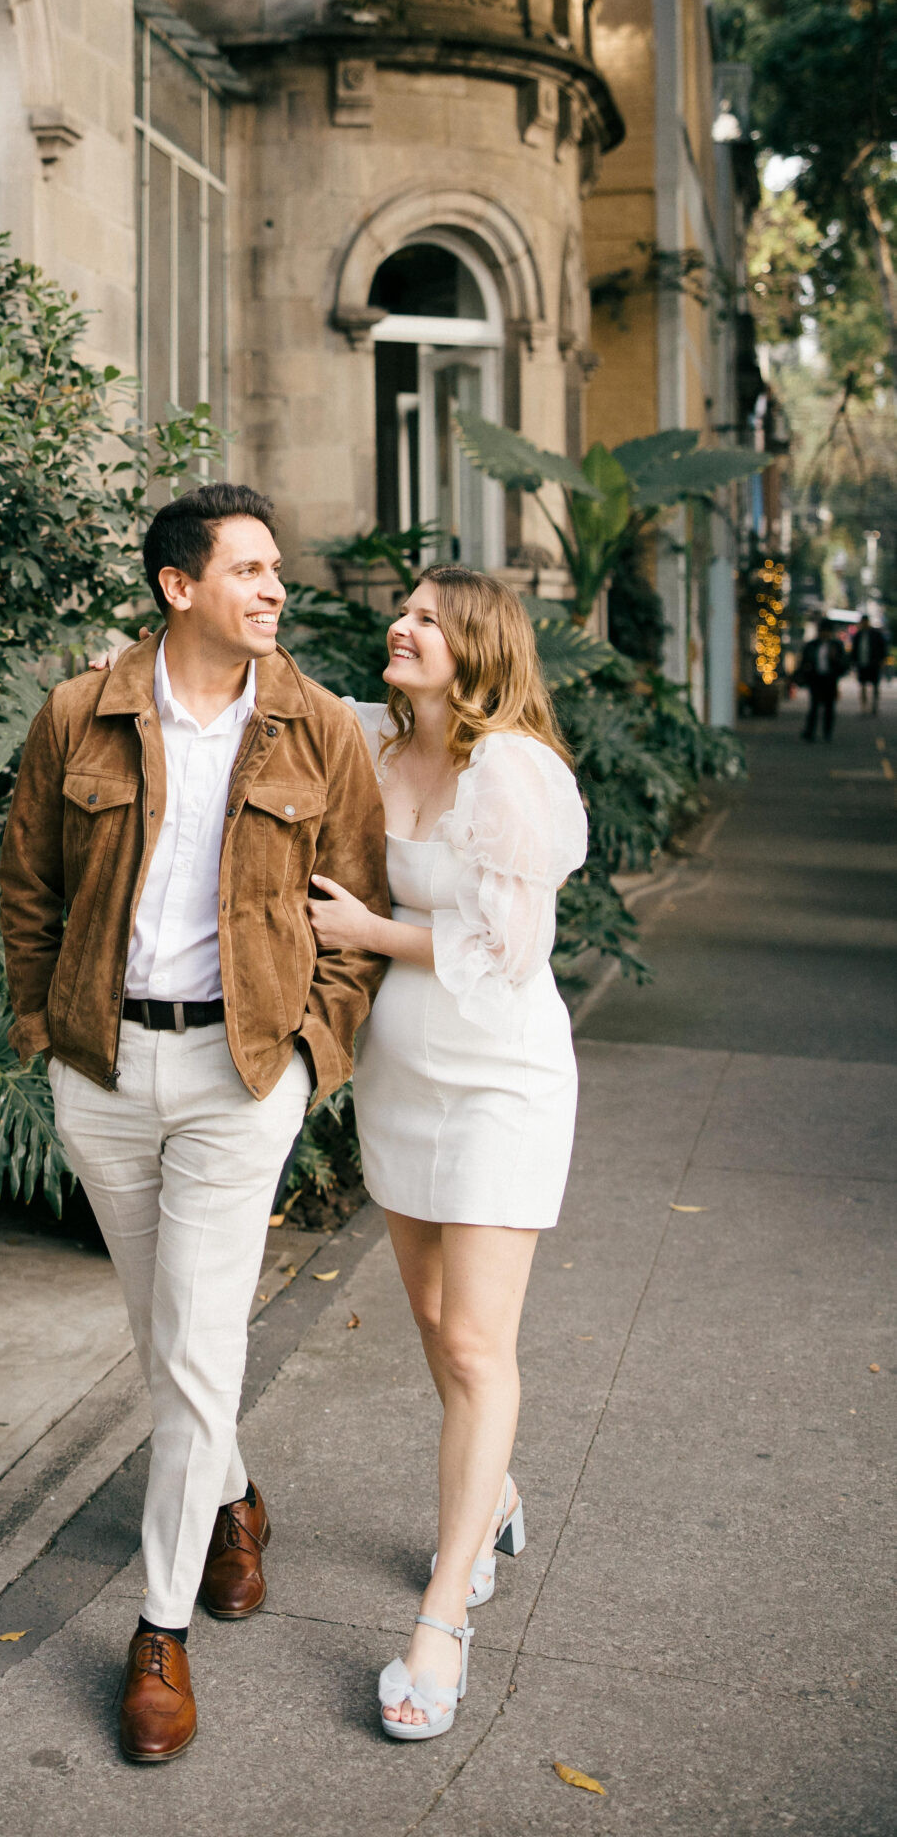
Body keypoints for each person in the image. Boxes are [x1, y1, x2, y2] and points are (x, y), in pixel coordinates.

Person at [0, 482, 388, 1766]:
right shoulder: (81, 713)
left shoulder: (318, 726)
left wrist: (306, 1057)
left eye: (278, 570)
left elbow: (358, 910)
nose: (277, 589)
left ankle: (158, 1631)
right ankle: (232, 1497)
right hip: (106, 1069)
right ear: (180, 587)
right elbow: (29, 889)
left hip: (241, 1072)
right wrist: (43, 1028)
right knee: (163, 1339)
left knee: (197, 1344)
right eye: (251, 570)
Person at [306, 565, 587, 1743]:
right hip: (403, 1072)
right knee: (429, 1314)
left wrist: (372, 931)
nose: (401, 626)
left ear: (477, 647)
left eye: (427, 617)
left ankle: (443, 1613)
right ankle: (496, 1492)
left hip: (500, 1076)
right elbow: (276, 699)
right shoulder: (370, 742)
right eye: (402, 610)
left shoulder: (514, 771)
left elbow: (511, 946)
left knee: (477, 1341)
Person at [797, 617, 848, 741]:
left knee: (829, 707)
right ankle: (810, 732)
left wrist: (835, 661)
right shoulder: (812, 645)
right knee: (814, 705)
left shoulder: (836, 645)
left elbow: (844, 663)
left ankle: (827, 732)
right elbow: (805, 661)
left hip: (830, 679)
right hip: (815, 678)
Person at [851, 613, 888, 715]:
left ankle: (874, 706)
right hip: (862, 662)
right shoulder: (858, 635)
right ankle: (864, 706)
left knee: (875, 685)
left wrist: (882, 660)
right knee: (862, 685)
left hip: (874, 663)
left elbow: (882, 647)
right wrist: (853, 662)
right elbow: (854, 650)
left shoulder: (876, 634)